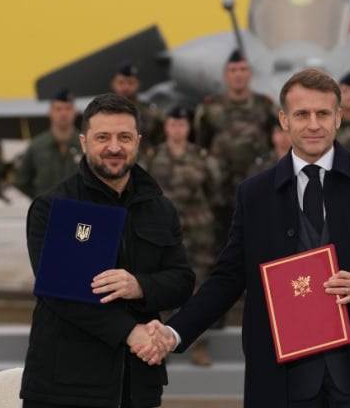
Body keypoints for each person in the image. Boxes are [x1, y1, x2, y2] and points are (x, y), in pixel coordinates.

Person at [139, 68, 350, 408]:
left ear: (338, 118)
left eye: (322, 113)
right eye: (301, 114)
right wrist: (175, 331)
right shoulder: (255, 194)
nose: (313, 124)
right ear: (284, 120)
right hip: (285, 381)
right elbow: (229, 278)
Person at [20, 94, 195, 408]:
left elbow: (182, 281)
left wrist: (139, 285)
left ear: (138, 142)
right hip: (65, 388)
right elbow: (61, 292)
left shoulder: (159, 207)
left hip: (137, 385)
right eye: (103, 137)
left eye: (124, 137)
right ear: (84, 142)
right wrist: (130, 332)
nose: (114, 147)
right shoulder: (55, 206)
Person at [144, 106, 223, 366]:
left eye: (182, 124)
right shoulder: (154, 157)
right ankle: (161, 343)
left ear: (188, 128)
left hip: (198, 233)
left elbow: (214, 190)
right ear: (166, 127)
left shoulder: (201, 157)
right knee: (163, 286)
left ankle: (198, 345)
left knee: (199, 288)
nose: (177, 129)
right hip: (164, 233)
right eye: (173, 124)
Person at [193, 49, 277, 254]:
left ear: (250, 74)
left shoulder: (265, 106)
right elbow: (200, 146)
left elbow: (277, 142)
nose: (238, 74)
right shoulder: (210, 108)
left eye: (242, 69)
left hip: (257, 192)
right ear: (225, 75)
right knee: (225, 251)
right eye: (232, 70)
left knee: (260, 249)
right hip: (221, 196)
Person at [14, 89, 82, 198]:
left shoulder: (85, 145)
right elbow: (21, 181)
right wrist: (40, 200)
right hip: (46, 212)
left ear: (75, 112)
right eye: (58, 109)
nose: (63, 113)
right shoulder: (37, 146)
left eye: (68, 108)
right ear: (50, 112)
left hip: (79, 210)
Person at [110, 62, 164, 155]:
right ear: (113, 84)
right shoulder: (102, 112)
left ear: (138, 84)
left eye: (130, 83)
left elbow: (160, 141)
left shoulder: (150, 113)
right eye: (121, 82)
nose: (125, 87)